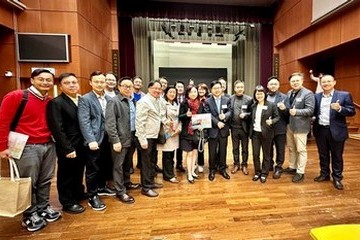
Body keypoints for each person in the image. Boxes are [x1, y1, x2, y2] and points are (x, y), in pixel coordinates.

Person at [0, 68, 61, 232]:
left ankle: (43, 207)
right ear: (32, 80)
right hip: (26, 147)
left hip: (48, 145)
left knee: (45, 180)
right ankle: (29, 214)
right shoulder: (17, 96)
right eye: (41, 79)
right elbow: (3, 122)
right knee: (28, 182)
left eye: (49, 80)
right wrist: (2, 147)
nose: (45, 82)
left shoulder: (48, 100)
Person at [47, 73, 86, 214]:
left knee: (78, 171)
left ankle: (78, 193)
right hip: (68, 146)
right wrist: (67, 148)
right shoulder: (56, 103)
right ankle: (67, 202)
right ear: (61, 86)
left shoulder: (81, 100)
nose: (72, 85)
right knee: (66, 174)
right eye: (67, 82)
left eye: (74, 82)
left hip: (82, 144)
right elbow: (57, 128)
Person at [78, 71, 115, 211]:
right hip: (94, 140)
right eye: (97, 81)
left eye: (102, 81)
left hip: (107, 138)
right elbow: (84, 121)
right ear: (91, 82)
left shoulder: (109, 98)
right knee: (92, 169)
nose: (100, 84)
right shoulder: (85, 99)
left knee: (104, 165)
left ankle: (102, 187)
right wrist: (90, 139)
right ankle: (92, 195)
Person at [313, 75, 355, 190]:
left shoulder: (344, 95)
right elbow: (315, 111)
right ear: (321, 84)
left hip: (336, 130)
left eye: (328, 81)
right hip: (320, 129)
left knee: (337, 156)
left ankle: (337, 178)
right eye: (324, 82)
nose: (326, 83)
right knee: (323, 154)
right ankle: (324, 174)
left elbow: (352, 111)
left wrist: (340, 109)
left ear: (334, 82)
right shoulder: (316, 96)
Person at [105, 76, 140, 204]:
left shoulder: (133, 101)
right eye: (125, 86)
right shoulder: (114, 101)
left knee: (127, 163)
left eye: (130, 86)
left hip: (131, 137)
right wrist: (115, 140)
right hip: (120, 139)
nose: (128, 88)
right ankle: (120, 191)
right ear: (119, 87)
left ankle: (127, 183)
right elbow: (110, 124)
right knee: (118, 166)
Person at [279, 72, 315, 183]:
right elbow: (289, 109)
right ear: (290, 82)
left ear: (302, 81)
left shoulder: (308, 93)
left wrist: (297, 112)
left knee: (301, 149)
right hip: (290, 125)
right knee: (291, 147)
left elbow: (310, 110)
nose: (295, 83)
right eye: (293, 81)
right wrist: (284, 108)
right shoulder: (289, 92)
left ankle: (300, 172)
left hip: (301, 126)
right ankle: (292, 166)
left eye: (297, 80)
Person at [135, 80, 164, 197]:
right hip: (146, 137)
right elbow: (139, 122)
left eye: (159, 89)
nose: (157, 90)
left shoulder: (157, 101)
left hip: (153, 136)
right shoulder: (144, 101)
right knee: (145, 163)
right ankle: (145, 188)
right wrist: (142, 139)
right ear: (149, 89)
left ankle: (150, 182)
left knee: (152, 161)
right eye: (155, 88)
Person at [249, 85, 279, 183]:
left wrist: (272, 121)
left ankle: (264, 173)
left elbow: (277, 117)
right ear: (255, 95)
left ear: (264, 94)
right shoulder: (253, 106)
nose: (259, 95)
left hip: (267, 133)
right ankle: (257, 172)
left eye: (261, 93)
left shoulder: (271, 105)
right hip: (255, 134)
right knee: (255, 154)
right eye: (257, 94)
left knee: (266, 155)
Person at [204, 80, 231, 181]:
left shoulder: (227, 99)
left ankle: (222, 169)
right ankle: (212, 170)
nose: (217, 90)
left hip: (224, 129)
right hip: (213, 130)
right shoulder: (207, 101)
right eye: (215, 88)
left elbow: (230, 111)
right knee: (212, 151)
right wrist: (217, 122)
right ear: (211, 90)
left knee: (223, 150)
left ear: (222, 89)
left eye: (218, 88)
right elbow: (208, 114)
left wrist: (225, 116)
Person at [157, 85, 181, 183]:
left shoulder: (176, 104)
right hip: (167, 132)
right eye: (170, 92)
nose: (172, 94)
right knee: (167, 154)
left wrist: (178, 129)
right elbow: (161, 117)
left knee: (172, 153)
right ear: (166, 93)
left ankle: (170, 172)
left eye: (174, 93)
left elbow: (179, 118)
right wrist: (169, 125)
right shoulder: (163, 103)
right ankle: (168, 175)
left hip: (176, 132)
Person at [229, 80, 253, 175]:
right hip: (234, 128)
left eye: (241, 87)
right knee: (235, 148)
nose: (240, 89)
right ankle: (236, 164)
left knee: (245, 148)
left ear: (244, 88)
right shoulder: (231, 99)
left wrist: (246, 114)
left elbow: (252, 112)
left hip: (244, 128)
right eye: (238, 87)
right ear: (234, 89)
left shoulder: (249, 99)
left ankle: (244, 165)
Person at [179, 85, 202, 184]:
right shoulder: (184, 103)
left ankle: (193, 171)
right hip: (187, 132)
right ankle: (189, 174)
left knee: (195, 152)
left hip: (196, 132)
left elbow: (202, 117)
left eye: (195, 92)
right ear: (188, 93)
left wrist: (202, 125)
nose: (193, 93)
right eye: (191, 92)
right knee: (189, 153)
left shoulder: (200, 103)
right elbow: (179, 116)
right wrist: (186, 115)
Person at [266, 76, 288, 179]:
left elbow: (289, 113)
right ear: (268, 85)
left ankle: (279, 167)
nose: (273, 86)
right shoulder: (264, 97)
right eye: (271, 84)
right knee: (268, 148)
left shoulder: (284, 97)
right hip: (267, 128)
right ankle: (269, 164)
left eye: (275, 84)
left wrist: (284, 109)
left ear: (278, 85)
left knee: (280, 149)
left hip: (280, 128)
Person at [131, 76, 145, 171]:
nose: (138, 84)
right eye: (136, 82)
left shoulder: (144, 95)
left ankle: (140, 164)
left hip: (141, 123)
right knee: (131, 147)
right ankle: (130, 166)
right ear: (133, 83)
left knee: (141, 146)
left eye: (140, 82)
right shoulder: (129, 94)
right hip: (131, 124)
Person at [197, 83, 209, 173]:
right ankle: (199, 164)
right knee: (198, 146)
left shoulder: (209, 100)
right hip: (197, 126)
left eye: (203, 89)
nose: (201, 91)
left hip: (208, 126)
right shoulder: (195, 99)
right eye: (199, 89)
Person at [175, 80, 186, 172]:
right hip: (173, 125)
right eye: (178, 86)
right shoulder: (171, 97)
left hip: (184, 124)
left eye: (181, 87)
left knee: (180, 145)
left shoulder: (186, 98)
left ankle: (179, 163)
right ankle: (170, 163)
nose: (180, 88)